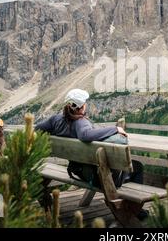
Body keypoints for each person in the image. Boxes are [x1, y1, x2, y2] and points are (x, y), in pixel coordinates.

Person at [35, 88, 147, 219]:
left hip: (78, 171)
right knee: (137, 166)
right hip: (99, 178)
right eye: (85, 103)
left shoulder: (56, 120)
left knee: (125, 166)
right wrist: (115, 128)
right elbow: (85, 135)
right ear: (81, 107)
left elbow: (37, 129)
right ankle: (136, 210)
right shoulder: (80, 122)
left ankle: (130, 205)